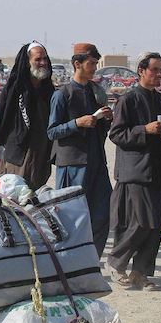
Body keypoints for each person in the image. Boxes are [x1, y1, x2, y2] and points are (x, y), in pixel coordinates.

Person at [104, 52, 161, 291]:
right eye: (155, 69)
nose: (159, 74)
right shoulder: (128, 101)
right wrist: (145, 130)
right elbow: (116, 134)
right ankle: (116, 260)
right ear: (141, 71)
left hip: (157, 170)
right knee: (141, 221)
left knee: (155, 225)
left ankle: (140, 272)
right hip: (136, 171)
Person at [47, 43, 114, 258]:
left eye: (95, 63)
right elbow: (52, 132)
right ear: (77, 64)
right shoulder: (62, 94)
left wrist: (106, 119)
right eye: (91, 63)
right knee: (70, 217)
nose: (94, 68)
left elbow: (101, 130)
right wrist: (77, 123)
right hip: (73, 165)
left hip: (96, 163)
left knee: (102, 214)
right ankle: (68, 260)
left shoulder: (96, 92)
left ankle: (91, 259)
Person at [0, 41, 54, 191]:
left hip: (41, 155)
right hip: (19, 155)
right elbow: (0, 119)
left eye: (45, 59)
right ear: (27, 63)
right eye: (38, 59)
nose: (43, 63)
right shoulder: (16, 89)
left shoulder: (48, 91)